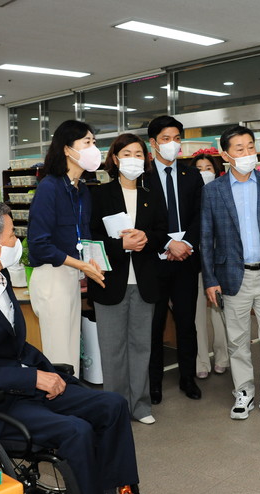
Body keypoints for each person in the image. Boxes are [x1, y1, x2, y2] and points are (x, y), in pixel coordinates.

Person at [0, 200, 166, 494]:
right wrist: (33, 378)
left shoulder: (0, 278)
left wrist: (52, 375)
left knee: (112, 405)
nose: (17, 241)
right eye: (11, 235)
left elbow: (15, 347)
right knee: (76, 431)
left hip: (24, 386)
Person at [200, 125, 260, 422]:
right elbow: (206, 238)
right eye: (239, 148)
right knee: (237, 340)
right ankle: (243, 391)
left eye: (250, 146)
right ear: (225, 154)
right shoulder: (213, 190)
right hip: (231, 275)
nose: (246, 153)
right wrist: (210, 279)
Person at [88, 134, 168, 425]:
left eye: (138, 154)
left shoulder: (152, 195)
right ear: (115, 158)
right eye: (127, 153)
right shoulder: (98, 194)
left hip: (144, 281)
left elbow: (162, 233)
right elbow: (90, 238)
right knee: (112, 349)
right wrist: (120, 245)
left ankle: (141, 406)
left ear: (145, 160)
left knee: (141, 346)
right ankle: (117, 408)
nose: (133, 159)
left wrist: (146, 238)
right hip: (110, 280)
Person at [27, 120, 105, 371]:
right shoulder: (49, 187)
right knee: (59, 354)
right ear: (67, 149)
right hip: (52, 276)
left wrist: (91, 262)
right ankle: (61, 395)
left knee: (72, 351)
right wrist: (81, 265)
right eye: (87, 142)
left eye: (94, 142)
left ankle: (72, 393)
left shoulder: (82, 190)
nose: (94, 148)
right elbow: (39, 244)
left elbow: (85, 235)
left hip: (73, 275)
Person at [145, 116, 204, 403]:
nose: (173, 144)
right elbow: (141, 220)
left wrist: (186, 244)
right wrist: (169, 243)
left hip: (186, 261)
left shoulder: (191, 175)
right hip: (154, 261)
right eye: (166, 139)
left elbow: (201, 215)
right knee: (154, 325)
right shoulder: (142, 177)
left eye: (177, 138)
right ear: (153, 143)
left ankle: (187, 378)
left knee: (186, 323)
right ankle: (154, 382)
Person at [190, 154, 229, 379]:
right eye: (199, 168)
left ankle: (223, 357)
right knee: (197, 314)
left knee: (220, 310)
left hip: (218, 261)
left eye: (208, 168)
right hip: (194, 260)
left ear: (216, 171)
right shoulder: (188, 195)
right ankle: (201, 360)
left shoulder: (222, 193)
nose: (204, 172)